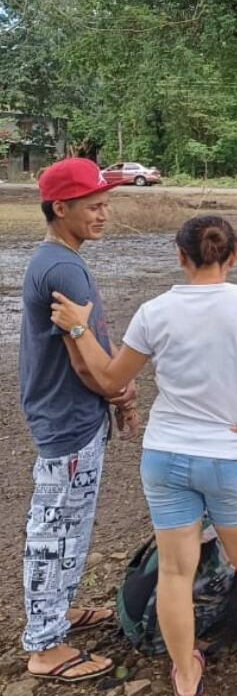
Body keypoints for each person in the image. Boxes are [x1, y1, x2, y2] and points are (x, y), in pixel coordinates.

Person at [49, 215, 237, 696]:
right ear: (234, 256)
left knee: (175, 570)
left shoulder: (155, 311)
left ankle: (187, 674)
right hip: (230, 455)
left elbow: (111, 380)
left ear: (180, 255)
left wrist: (79, 329)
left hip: (166, 453)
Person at [19, 158, 140, 683]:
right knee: (55, 529)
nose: (103, 213)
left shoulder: (58, 258)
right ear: (60, 207)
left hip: (70, 413)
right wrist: (117, 388)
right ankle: (44, 645)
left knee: (70, 526)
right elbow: (80, 356)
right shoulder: (62, 267)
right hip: (68, 416)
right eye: (93, 205)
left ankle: (59, 609)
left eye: (105, 202)